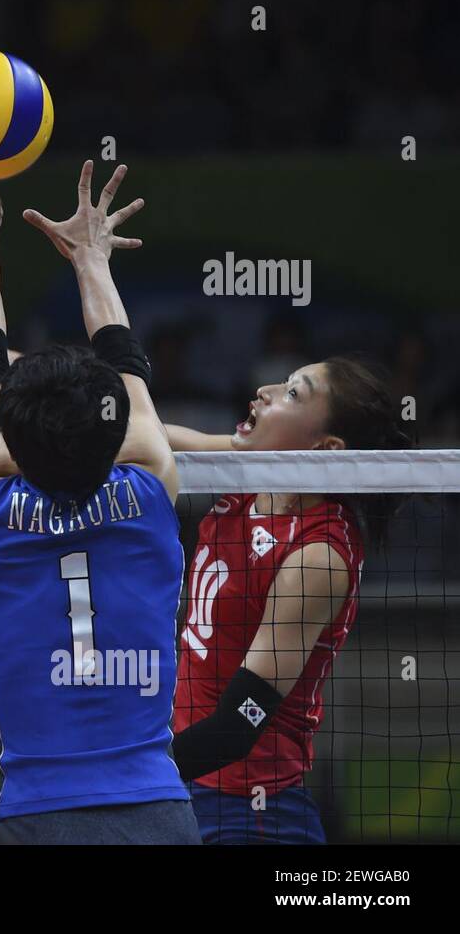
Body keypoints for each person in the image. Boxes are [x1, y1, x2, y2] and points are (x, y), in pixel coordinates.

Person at [0, 161, 197, 844]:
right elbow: (128, 371)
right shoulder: (148, 488)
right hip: (156, 813)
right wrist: (92, 258)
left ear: (10, 437)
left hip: (38, 815)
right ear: (115, 432)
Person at [164, 357, 411, 844]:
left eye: (294, 394)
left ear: (325, 448)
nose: (266, 390)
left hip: (248, 813)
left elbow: (238, 726)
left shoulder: (317, 554)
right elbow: (151, 438)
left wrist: (127, 772)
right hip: (186, 787)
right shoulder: (250, 470)